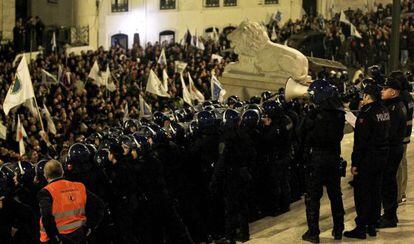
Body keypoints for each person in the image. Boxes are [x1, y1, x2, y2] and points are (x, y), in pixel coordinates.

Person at [300, 79, 345, 243]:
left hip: (317, 158)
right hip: (333, 157)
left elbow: (302, 133)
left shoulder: (315, 115)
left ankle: (313, 232)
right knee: (335, 195)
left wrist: (308, 115)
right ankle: (339, 229)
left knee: (313, 197)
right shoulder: (339, 113)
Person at [344, 84, 390, 239]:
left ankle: (361, 227)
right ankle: (372, 224)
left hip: (367, 159)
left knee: (363, 193)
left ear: (368, 96)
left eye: (364, 95)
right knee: (375, 191)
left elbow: (361, 142)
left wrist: (355, 162)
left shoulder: (366, 114)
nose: (362, 98)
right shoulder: (384, 110)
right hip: (381, 156)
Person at [38, 159, 104, 244]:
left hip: (62, 238)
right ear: (62, 172)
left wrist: (55, 238)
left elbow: (46, 218)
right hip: (81, 236)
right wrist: (90, 226)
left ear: (46, 176)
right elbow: (100, 206)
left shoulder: (46, 192)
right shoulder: (79, 186)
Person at [377, 77, 407, 228]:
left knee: (387, 182)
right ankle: (390, 214)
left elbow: (389, 132)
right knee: (389, 181)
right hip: (395, 148)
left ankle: (389, 216)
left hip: (392, 149)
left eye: (385, 89)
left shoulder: (394, 109)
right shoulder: (396, 105)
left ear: (393, 92)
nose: (382, 91)